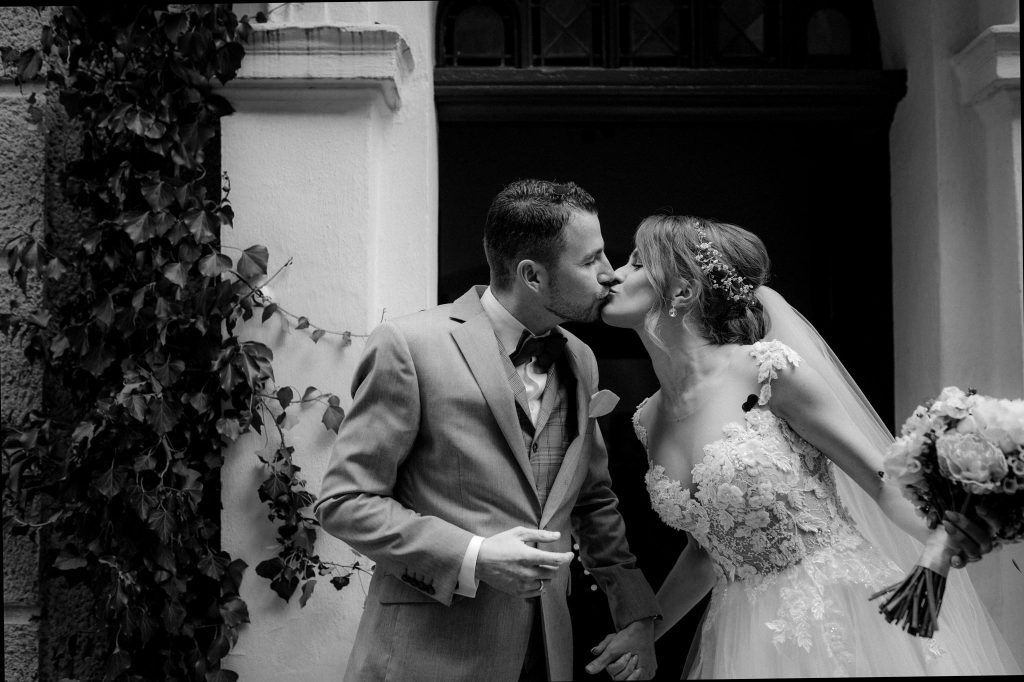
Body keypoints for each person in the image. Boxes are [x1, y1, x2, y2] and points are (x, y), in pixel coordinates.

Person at [591, 214, 1021, 678]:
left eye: (636, 263)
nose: (613, 274)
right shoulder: (648, 419)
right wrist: (647, 631)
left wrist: (960, 525)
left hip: (839, 613)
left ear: (682, 291)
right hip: (743, 631)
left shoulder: (767, 372)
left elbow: (881, 483)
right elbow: (705, 553)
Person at [314, 179, 661, 682]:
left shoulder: (581, 358)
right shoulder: (408, 345)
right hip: (427, 655)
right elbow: (345, 502)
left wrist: (636, 614)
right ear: (532, 275)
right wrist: (474, 557)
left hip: (549, 653)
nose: (610, 273)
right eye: (590, 261)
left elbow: (591, 500)